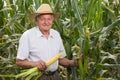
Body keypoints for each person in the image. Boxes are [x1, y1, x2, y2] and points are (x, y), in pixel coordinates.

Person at [16, 4, 83, 80]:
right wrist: (35, 64)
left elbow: (60, 58)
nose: (46, 22)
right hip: (35, 77)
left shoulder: (56, 34)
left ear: (52, 20)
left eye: (49, 19)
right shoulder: (28, 36)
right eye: (42, 19)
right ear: (36, 21)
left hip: (54, 76)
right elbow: (19, 62)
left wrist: (72, 62)